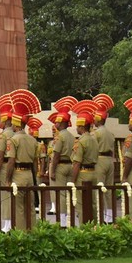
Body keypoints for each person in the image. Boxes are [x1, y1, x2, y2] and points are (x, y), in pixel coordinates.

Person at [4, 89, 41, 230]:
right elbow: (35, 162)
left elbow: (11, 161)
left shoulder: (13, 140)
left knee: (18, 207)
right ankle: (32, 232)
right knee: (30, 206)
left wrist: (7, 179)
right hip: (30, 176)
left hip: (18, 175)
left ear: (16, 124)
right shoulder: (33, 140)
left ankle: (21, 235)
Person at [47, 96, 76, 227]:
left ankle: (63, 222)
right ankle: (70, 219)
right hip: (70, 164)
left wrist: (52, 170)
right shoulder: (72, 136)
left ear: (62, 123)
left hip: (60, 166)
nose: (55, 124)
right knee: (69, 193)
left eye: (57, 122)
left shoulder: (60, 137)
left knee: (60, 194)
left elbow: (56, 155)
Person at [70, 101, 100, 225]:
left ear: (82, 127)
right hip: (93, 172)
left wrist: (72, 180)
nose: (76, 128)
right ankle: (94, 226)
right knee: (92, 203)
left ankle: (84, 228)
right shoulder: (94, 140)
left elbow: (77, 163)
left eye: (77, 126)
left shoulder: (80, 142)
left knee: (81, 204)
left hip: (82, 174)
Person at [0, 93, 15, 231]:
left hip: (5, 166)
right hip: (17, 167)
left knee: (5, 195)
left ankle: (7, 224)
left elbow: (0, 156)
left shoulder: (3, 136)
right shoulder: (16, 134)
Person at [92, 93, 116, 223]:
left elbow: (93, 148)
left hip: (100, 160)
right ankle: (109, 215)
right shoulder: (110, 133)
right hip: (110, 161)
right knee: (109, 188)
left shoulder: (96, 133)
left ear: (99, 119)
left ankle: (100, 214)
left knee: (100, 187)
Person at [27, 117, 46, 213]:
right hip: (29, 168)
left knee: (38, 186)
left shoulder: (40, 145)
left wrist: (42, 170)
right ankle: (34, 203)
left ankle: (39, 204)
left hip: (37, 168)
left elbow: (42, 159)